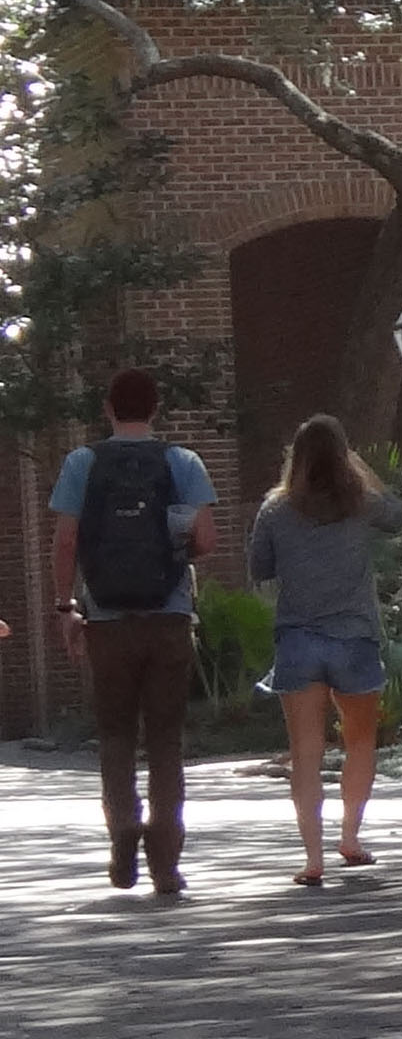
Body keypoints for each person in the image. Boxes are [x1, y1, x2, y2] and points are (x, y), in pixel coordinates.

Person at [50, 368, 220, 897]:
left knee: (116, 735)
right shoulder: (182, 462)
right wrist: (174, 559)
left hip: (106, 619)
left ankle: (123, 827)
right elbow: (207, 539)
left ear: (107, 408)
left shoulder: (83, 463)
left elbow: (65, 542)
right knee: (166, 740)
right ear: (155, 409)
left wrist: (66, 608)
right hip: (168, 616)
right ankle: (166, 862)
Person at [247, 413, 402, 887]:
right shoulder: (360, 504)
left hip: (298, 639)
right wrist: (363, 470)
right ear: (344, 457)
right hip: (355, 636)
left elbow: (259, 567)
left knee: (305, 753)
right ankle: (350, 838)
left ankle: (312, 858)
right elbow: (398, 517)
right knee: (359, 743)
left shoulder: (276, 509)